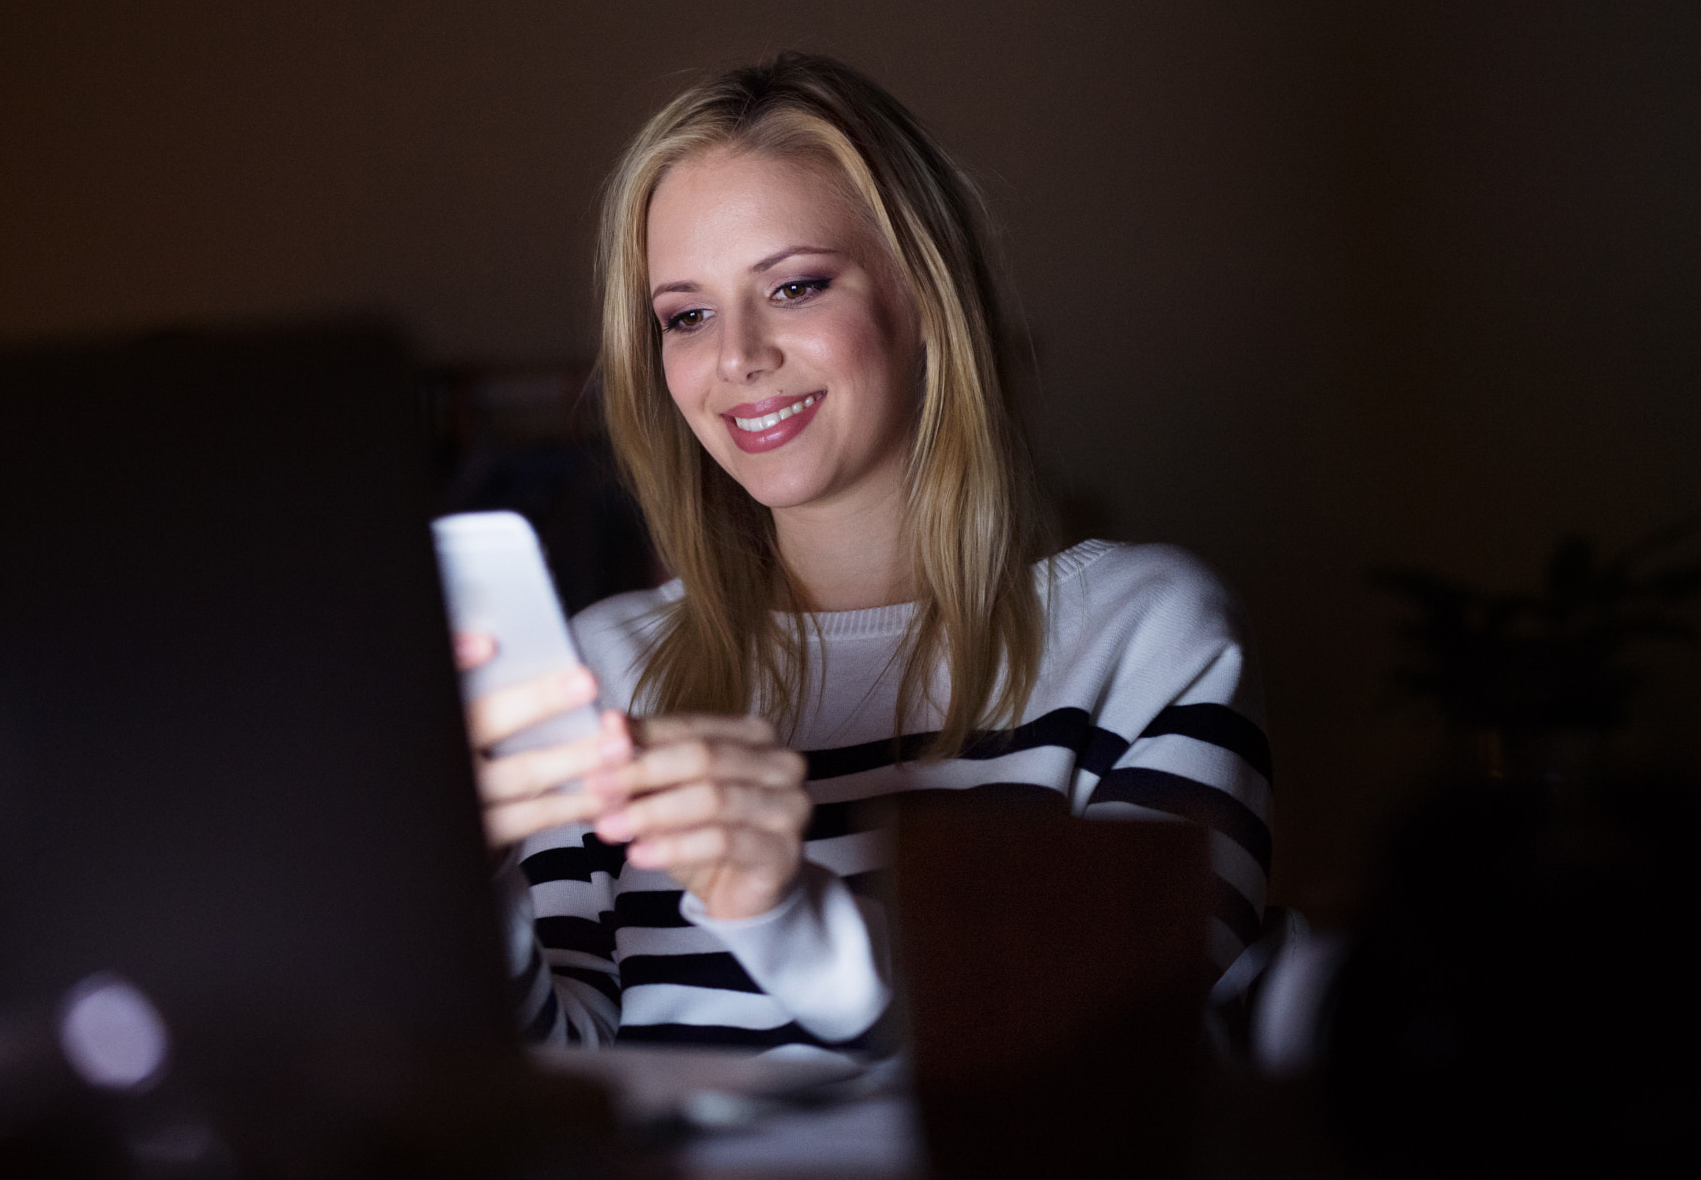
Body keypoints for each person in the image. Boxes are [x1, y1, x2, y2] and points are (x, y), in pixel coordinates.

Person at [456, 53, 1271, 1051]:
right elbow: (563, 1071)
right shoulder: (596, 672)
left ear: (924, 293)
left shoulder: (1143, 634)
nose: (737, 358)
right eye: (686, 315)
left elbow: (1119, 1045)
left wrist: (786, 915)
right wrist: (466, 882)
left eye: (794, 286)